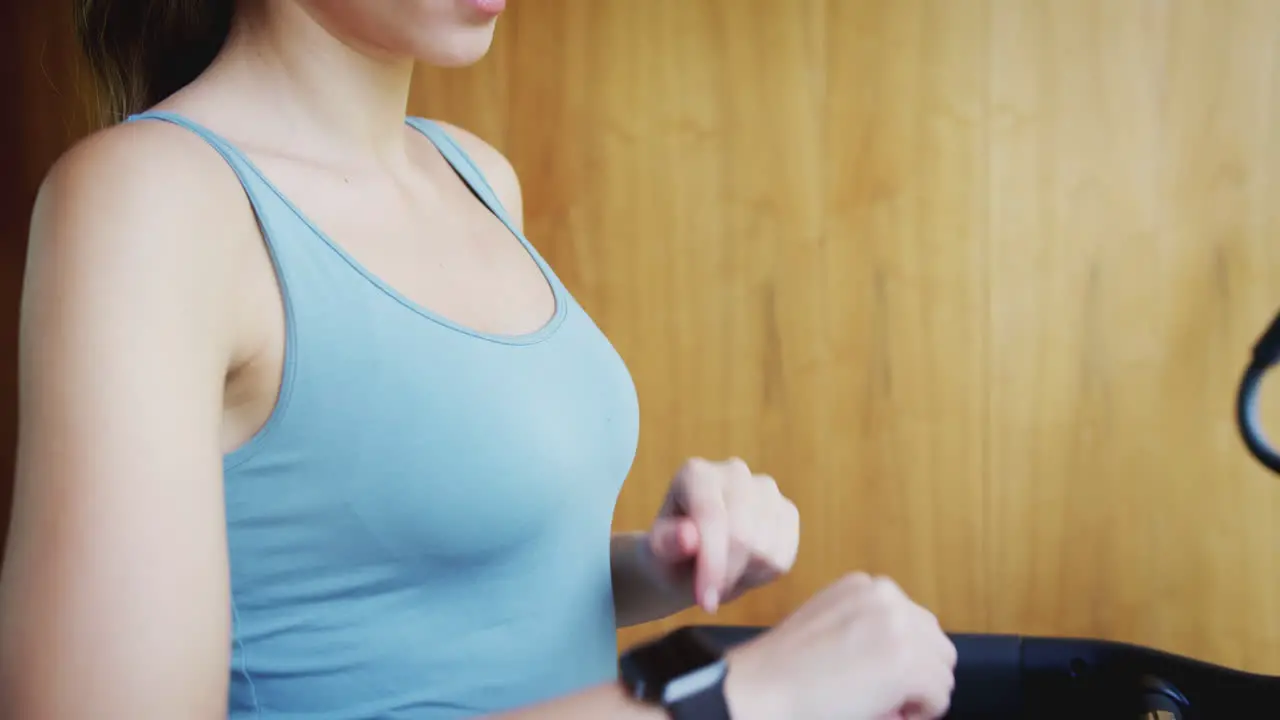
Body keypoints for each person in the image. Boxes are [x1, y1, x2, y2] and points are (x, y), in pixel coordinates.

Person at [0, 0, 958, 718]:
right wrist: (740, 697)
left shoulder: (472, 173)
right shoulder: (148, 204)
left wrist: (661, 569)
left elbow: (407, 593)